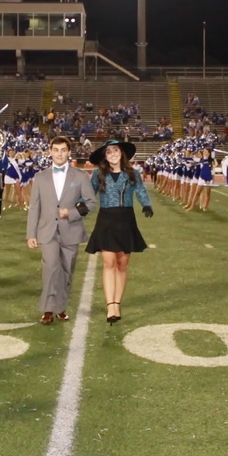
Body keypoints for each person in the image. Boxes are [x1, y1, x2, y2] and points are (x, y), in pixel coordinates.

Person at [26, 136, 96, 325]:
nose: (59, 153)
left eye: (63, 150)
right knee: (50, 267)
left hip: (71, 230)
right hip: (47, 231)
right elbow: (35, 207)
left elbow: (90, 202)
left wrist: (71, 212)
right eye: (56, 150)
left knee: (66, 270)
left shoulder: (80, 176)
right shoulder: (40, 177)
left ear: (68, 152)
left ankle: (61, 308)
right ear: (50, 152)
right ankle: (48, 309)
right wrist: (31, 234)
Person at [85, 139, 153, 324]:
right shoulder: (98, 174)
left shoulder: (132, 173)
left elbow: (140, 190)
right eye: (109, 152)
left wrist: (146, 204)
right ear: (105, 157)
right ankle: (110, 305)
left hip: (126, 220)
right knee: (109, 262)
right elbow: (89, 193)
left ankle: (117, 303)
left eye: (116, 151)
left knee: (122, 264)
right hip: (106, 219)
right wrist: (80, 206)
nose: (113, 154)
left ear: (121, 153)